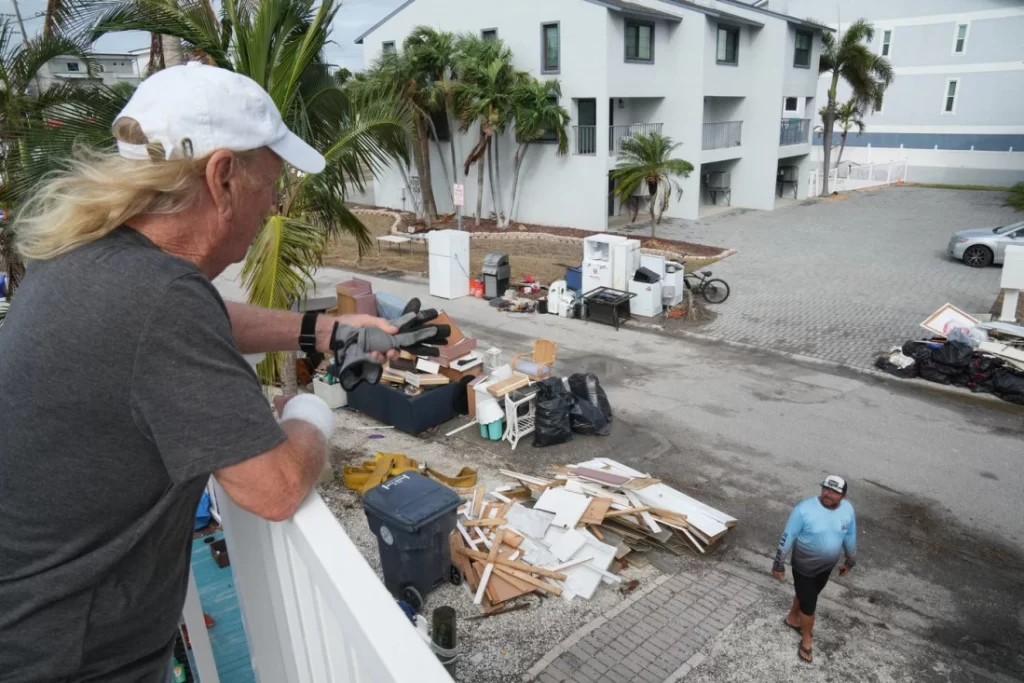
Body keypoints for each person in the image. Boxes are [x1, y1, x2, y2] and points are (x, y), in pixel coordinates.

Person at [0, 63, 440, 683]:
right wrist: (312, 407)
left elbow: (200, 320)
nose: (272, 205)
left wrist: (327, 332)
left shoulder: (91, 253)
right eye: (270, 184)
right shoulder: (158, 300)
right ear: (223, 177)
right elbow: (277, 488)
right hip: (67, 659)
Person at [772, 475, 857, 664]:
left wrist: (850, 561)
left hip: (826, 567)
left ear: (843, 495)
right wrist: (778, 563)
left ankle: (792, 618)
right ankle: (807, 638)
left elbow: (850, 536)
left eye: (835, 491)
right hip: (804, 567)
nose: (828, 494)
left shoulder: (848, 509)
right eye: (826, 488)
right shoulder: (803, 510)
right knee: (809, 605)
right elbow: (787, 537)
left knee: (807, 595)